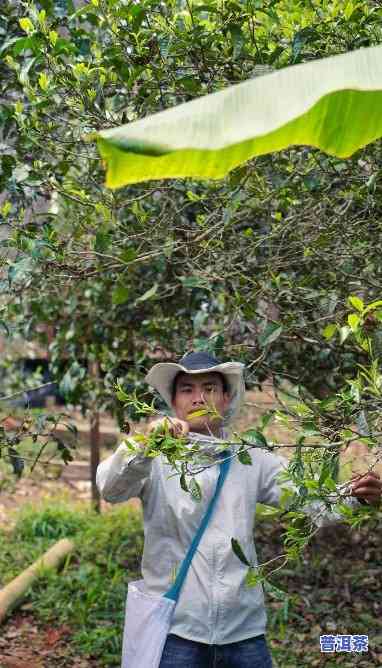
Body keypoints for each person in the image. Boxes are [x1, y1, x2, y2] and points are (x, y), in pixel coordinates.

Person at [96, 352, 381, 668]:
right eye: (187, 389)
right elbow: (111, 488)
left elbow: (310, 499)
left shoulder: (250, 458)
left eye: (209, 388)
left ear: (226, 398)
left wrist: (357, 496)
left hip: (243, 634)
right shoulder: (155, 458)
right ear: (174, 401)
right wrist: (144, 446)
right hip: (177, 631)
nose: (198, 398)